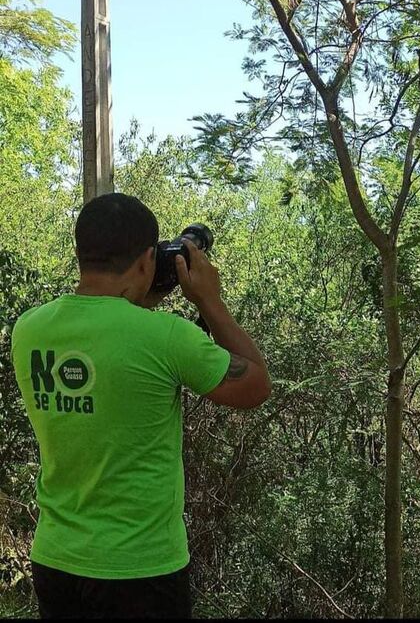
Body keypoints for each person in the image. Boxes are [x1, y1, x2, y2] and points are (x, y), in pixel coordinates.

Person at [10, 193, 271, 619]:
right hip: (141, 568)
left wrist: (138, 298)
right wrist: (209, 300)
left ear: (82, 253)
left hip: (56, 560)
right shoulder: (165, 337)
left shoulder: (29, 329)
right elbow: (256, 386)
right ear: (149, 259)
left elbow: (107, 335)